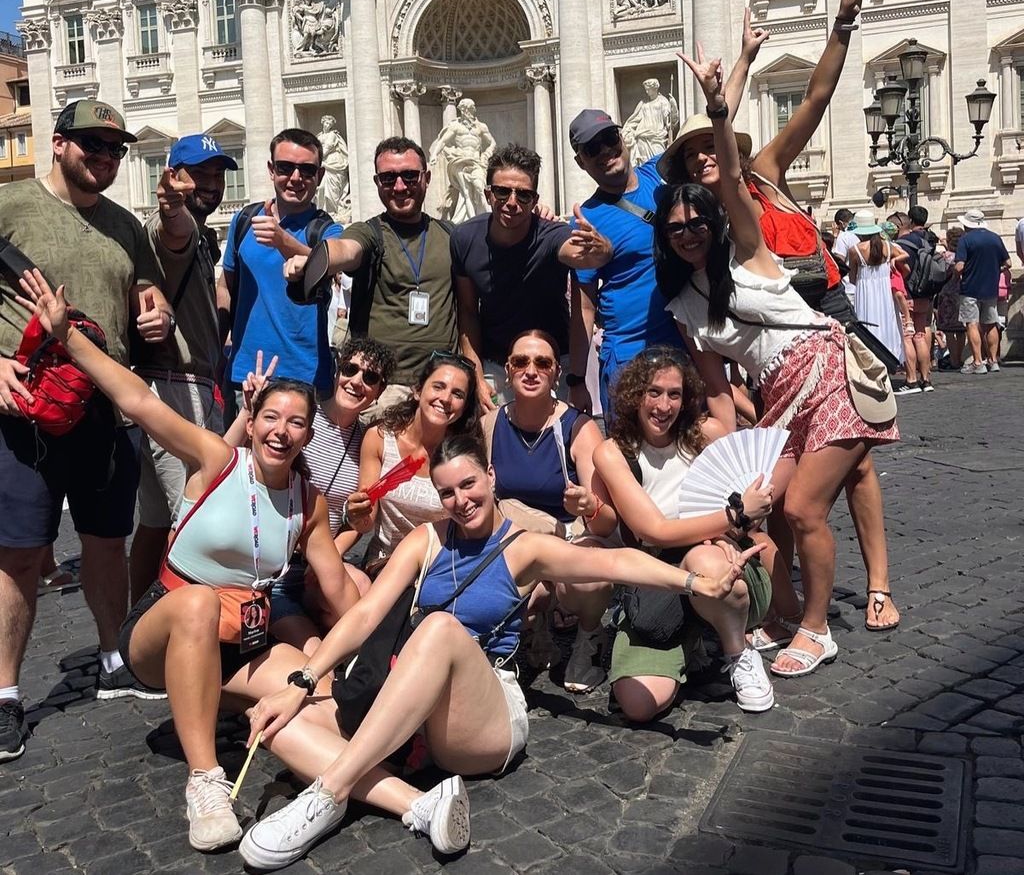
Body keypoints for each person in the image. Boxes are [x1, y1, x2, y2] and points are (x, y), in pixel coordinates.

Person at [239, 433, 764, 871]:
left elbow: (618, 564)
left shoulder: (523, 548)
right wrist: (303, 682)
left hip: (482, 714)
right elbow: (363, 616)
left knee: (442, 628)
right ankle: (419, 803)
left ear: (490, 477)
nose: (460, 500)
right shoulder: (425, 540)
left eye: (469, 484)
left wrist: (693, 581)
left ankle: (327, 796)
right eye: (446, 492)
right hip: (404, 699)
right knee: (275, 723)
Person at [16, 267, 360, 853]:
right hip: (166, 629)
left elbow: (339, 591)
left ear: (309, 434)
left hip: (243, 641)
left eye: (296, 422)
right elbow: (137, 400)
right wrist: (66, 336)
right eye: (270, 417)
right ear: (251, 421)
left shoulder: (310, 501)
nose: (281, 431)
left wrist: (372, 648)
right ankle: (205, 780)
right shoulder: (217, 460)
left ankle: (327, 780)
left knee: (325, 695)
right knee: (198, 601)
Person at [657, 0, 901, 634]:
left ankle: (876, 581)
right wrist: (736, 67)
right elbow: (717, 131)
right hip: (765, 347)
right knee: (788, 484)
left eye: (715, 149)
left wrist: (843, 20)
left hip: (822, 314)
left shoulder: (756, 174)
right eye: (694, 158)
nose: (707, 158)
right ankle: (789, 592)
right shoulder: (700, 230)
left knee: (856, 466)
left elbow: (813, 100)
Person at [0, 100, 177, 761]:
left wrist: (153, 315)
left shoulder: (126, 225)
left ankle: (112, 659)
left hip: (106, 412)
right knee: (18, 554)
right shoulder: (13, 205)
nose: (105, 157)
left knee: (107, 540)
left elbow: (146, 297)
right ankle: (6, 694)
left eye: (115, 149)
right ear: (57, 144)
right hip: (27, 412)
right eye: (92, 145)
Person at [591, 348, 776, 719]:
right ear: (634, 395)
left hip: (722, 561)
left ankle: (738, 653)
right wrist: (731, 515)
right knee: (638, 705)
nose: (664, 405)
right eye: (653, 392)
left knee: (705, 559)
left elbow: (747, 508)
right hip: (658, 569)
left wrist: (745, 518)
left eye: (674, 394)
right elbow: (653, 531)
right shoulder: (613, 452)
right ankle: (689, 639)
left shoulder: (706, 433)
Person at [228, 338, 396, 654]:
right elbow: (233, 461)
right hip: (272, 567)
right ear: (337, 371)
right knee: (314, 653)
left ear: (380, 391)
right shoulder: (300, 418)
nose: (357, 381)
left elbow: (357, 521)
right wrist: (249, 411)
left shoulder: (367, 441)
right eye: (351, 369)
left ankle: (367, 661)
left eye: (370, 377)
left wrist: (326, 556)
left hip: (317, 567)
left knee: (360, 589)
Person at [129, 134, 239, 602]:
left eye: (218, 174)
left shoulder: (206, 236)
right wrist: (172, 206)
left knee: (154, 522)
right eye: (199, 173)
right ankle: (184, 634)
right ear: (173, 175)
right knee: (193, 516)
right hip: (179, 391)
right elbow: (171, 229)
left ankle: (136, 621)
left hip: (170, 386)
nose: (212, 184)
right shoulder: (180, 225)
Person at [483, 330, 615, 692]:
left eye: (542, 363)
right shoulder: (491, 425)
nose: (531, 370)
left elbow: (605, 524)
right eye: (521, 362)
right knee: (507, 601)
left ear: (556, 372)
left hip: (568, 541)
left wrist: (589, 505)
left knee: (592, 578)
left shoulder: (579, 428)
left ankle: (589, 638)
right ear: (508, 370)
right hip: (517, 545)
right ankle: (533, 627)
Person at [284, 137, 457, 412]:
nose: (400, 187)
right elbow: (346, 249)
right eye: (388, 179)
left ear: (427, 178)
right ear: (377, 184)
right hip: (382, 390)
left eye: (409, 176)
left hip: (442, 388)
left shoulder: (452, 236)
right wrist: (317, 261)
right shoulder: (370, 232)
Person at [451, 143, 611, 410]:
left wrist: (601, 248)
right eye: (502, 192)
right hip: (496, 365)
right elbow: (467, 312)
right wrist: (476, 377)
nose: (512, 202)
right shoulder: (464, 238)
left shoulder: (552, 235)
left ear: (535, 200)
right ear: (488, 193)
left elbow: (584, 255)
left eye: (523, 195)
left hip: (553, 363)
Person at [568, 109, 684, 417]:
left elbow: (710, 144)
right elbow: (584, 305)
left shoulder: (660, 175)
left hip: (685, 350)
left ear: (623, 138)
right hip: (629, 359)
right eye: (592, 148)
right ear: (581, 162)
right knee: (630, 459)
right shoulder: (586, 219)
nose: (606, 150)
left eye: (609, 138)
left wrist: (719, 101)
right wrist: (577, 378)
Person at [217, 128, 342, 402]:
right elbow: (226, 285)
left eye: (307, 170)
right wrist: (217, 342)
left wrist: (283, 241)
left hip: (307, 379)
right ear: (271, 170)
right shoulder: (244, 220)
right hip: (246, 375)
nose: (296, 178)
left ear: (319, 177)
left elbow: (329, 260)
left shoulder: (326, 229)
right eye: (286, 168)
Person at [349, 351, 482, 579]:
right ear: (418, 390)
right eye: (438, 386)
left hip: (441, 568)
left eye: (457, 394)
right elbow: (366, 522)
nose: (446, 398)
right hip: (384, 565)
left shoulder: (465, 454)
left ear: (464, 407)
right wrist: (355, 515)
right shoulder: (380, 438)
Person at [847, 214, 908, 368]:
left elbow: (853, 278)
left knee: (867, 328)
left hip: (866, 294)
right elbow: (905, 258)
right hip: (885, 293)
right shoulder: (887, 246)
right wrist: (893, 261)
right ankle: (890, 361)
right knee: (888, 324)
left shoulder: (855, 250)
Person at [955, 209, 1011, 374]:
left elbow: (959, 266)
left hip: (970, 288)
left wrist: (955, 275)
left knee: (971, 323)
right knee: (991, 324)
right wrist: (995, 270)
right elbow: (1007, 262)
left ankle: (978, 362)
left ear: (967, 225)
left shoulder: (965, 240)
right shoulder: (995, 238)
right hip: (990, 288)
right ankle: (993, 361)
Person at [428, 98, 497, 224]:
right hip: (460, 161)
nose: (468, 112)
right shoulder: (456, 126)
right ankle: (473, 223)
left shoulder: (481, 127)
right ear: (462, 110)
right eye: (466, 109)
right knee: (465, 192)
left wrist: (486, 155)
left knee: (480, 188)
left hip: (477, 162)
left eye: (471, 109)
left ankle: (488, 218)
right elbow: (443, 141)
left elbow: (492, 143)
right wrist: (434, 154)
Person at [891, 205, 936, 391]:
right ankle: (926, 379)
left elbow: (903, 271)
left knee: (907, 337)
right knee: (919, 335)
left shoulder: (900, 245)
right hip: (924, 293)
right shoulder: (924, 241)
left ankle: (911, 380)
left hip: (907, 294)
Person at [621, 78, 679, 165]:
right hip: (642, 137)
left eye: (648, 89)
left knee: (658, 161)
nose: (647, 92)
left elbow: (669, 123)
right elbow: (635, 119)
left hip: (657, 137)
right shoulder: (643, 103)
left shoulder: (663, 101)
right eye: (646, 90)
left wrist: (673, 106)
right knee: (644, 164)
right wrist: (627, 130)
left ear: (655, 88)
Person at [935, 226, 966, 371]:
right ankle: (959, 358)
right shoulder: (964, 256)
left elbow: (940, 273)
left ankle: (953, 360)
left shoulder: (946, 256)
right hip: (962, 292)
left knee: (948, 330)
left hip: (947, 294)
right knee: (960, 330)